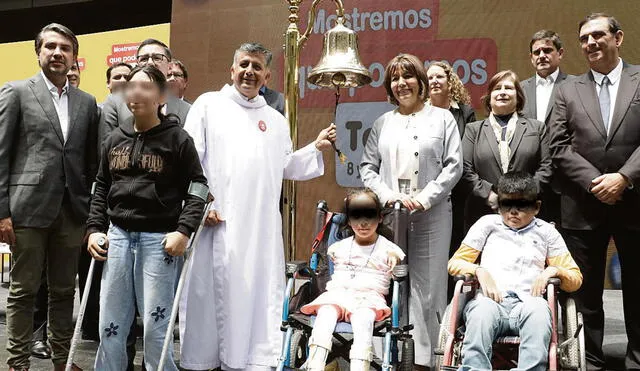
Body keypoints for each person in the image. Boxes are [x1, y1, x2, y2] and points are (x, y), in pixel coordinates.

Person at [178, 42, 336, 371]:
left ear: (267, 75)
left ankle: (251, 362)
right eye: (244, 65)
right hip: (217, 224)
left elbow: (284, 166)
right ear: (232, 70)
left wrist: (314, 148)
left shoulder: (275, 121)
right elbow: (189, 161)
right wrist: (202, 204)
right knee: (212, 299)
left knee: (257, 298)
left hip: (261, 230)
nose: (250, 72)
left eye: (257, 67)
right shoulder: (209, 105)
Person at [85, 65, 208, 371]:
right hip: (118, 237)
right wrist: (93, 229)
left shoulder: (178, 139)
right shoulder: (115, 138)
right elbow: (101, 186)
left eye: (145, 87)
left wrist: (184, 230)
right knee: (109, 324)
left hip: (159, 242)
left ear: (160, 96)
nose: (136, 92)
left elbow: (200, 187)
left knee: (156, 327)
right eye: (131, 86)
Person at [0, 23, 99, 371]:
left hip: (71, 212)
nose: (58, 53)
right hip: (26, 210)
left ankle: (63, 360)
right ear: (39, 52)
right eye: (51, 47)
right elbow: (2, 155)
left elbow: (90, 162)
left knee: (62, 292)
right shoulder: (15, 92)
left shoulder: (87, 103)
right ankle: (17, 362)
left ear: (74, 57)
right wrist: (2, 213)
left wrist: (90, 213)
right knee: (23, 291)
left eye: (65, 48)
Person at [549, 13, 640, 370]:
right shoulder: (566, 89)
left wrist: (624, 177)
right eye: (584, 38)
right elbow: (558, 146)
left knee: (637, 288)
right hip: (582, 205)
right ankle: (591, 360)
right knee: (585, 293)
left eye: (598, 35)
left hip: (634, 201)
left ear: (618, 38)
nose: (591, 43)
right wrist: (595, 181)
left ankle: (636, 360)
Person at [360, 53, 462, 369]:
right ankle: (384, 354)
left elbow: (454, 165)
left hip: (432, 214)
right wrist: (389, 196)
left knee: (429, 288)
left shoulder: (443, 118)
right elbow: (367, 167)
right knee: (387, 282)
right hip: (392, 216)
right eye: (395, 78)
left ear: (420, 82)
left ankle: (427, 360)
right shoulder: (382, 123)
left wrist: (426, 197)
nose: (402, 83)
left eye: (408, 77)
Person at [448, 171, 582, 371]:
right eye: (506, 205)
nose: (513, 212)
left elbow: (575, 279)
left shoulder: (546, 232)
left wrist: (553, 270)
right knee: (480, 313)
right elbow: (455, 263)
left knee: (538, 312)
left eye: (522, 206)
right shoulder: (486, 225)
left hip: (528, 303)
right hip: (491, 302)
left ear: (536, 207)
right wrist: (479, 271)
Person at [300, 189, 405, 371]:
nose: (363, 222)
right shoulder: (338, 247)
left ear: (380, 218)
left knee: (364, 319)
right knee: (325, 314)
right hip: (338, 296)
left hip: (369, 298)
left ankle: (360, 366)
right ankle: (315, 365)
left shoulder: (387, 248)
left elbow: (396, 258)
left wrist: (393, 260)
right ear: (348, 220)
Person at [460, 70, 552, 229]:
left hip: (527, 213)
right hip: (483, 212)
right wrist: (489, 195)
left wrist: (523, 197)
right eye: (497, 88)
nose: (502, 92)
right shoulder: (473, 130)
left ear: (518, 97)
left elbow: (547, 167)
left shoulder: (537, 128)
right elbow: (464, 169)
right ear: (489, 98)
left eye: (508, 88)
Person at [425, 61, 476, 299]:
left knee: (455, 248)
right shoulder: (419, 112)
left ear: (450, 82)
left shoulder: (465, 112)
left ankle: (453, 305)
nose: (434, 81)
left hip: (458, 194)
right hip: (425, 193)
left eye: (439, 77)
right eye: (430, 78)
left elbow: (466, 151)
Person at [520, 30, 573, 223]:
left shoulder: (577, 85)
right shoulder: (518, 90)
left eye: (547, 50)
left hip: (567, 182)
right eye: (536, 52)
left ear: (560, 53)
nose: (541, 55)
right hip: (530, 181)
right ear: (531, 58)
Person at [100, 39, 191, 144]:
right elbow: (105, 146)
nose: (150, 62)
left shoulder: (187, 109)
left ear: (169, 66)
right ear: (137, 64)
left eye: (157, 58)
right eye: (144, 59)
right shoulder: (115, 101)